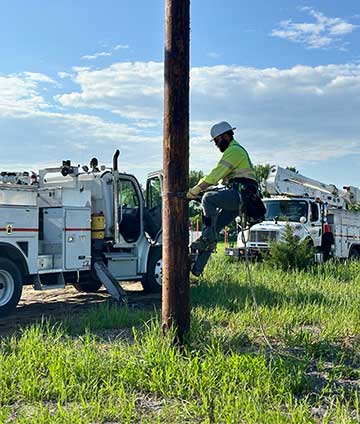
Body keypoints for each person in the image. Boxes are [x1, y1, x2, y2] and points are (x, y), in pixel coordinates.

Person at [187, 121, 258, 276]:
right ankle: (196, 268)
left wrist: (195, 190)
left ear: (225, 136)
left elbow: (215, 175)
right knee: (213, 229)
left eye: (217, 141)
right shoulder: (234, 151)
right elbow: (220, 179)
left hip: (241, 196)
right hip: (240, 197)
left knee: (208, 199)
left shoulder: (234, 151)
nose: (217, 145)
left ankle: (207, 237)